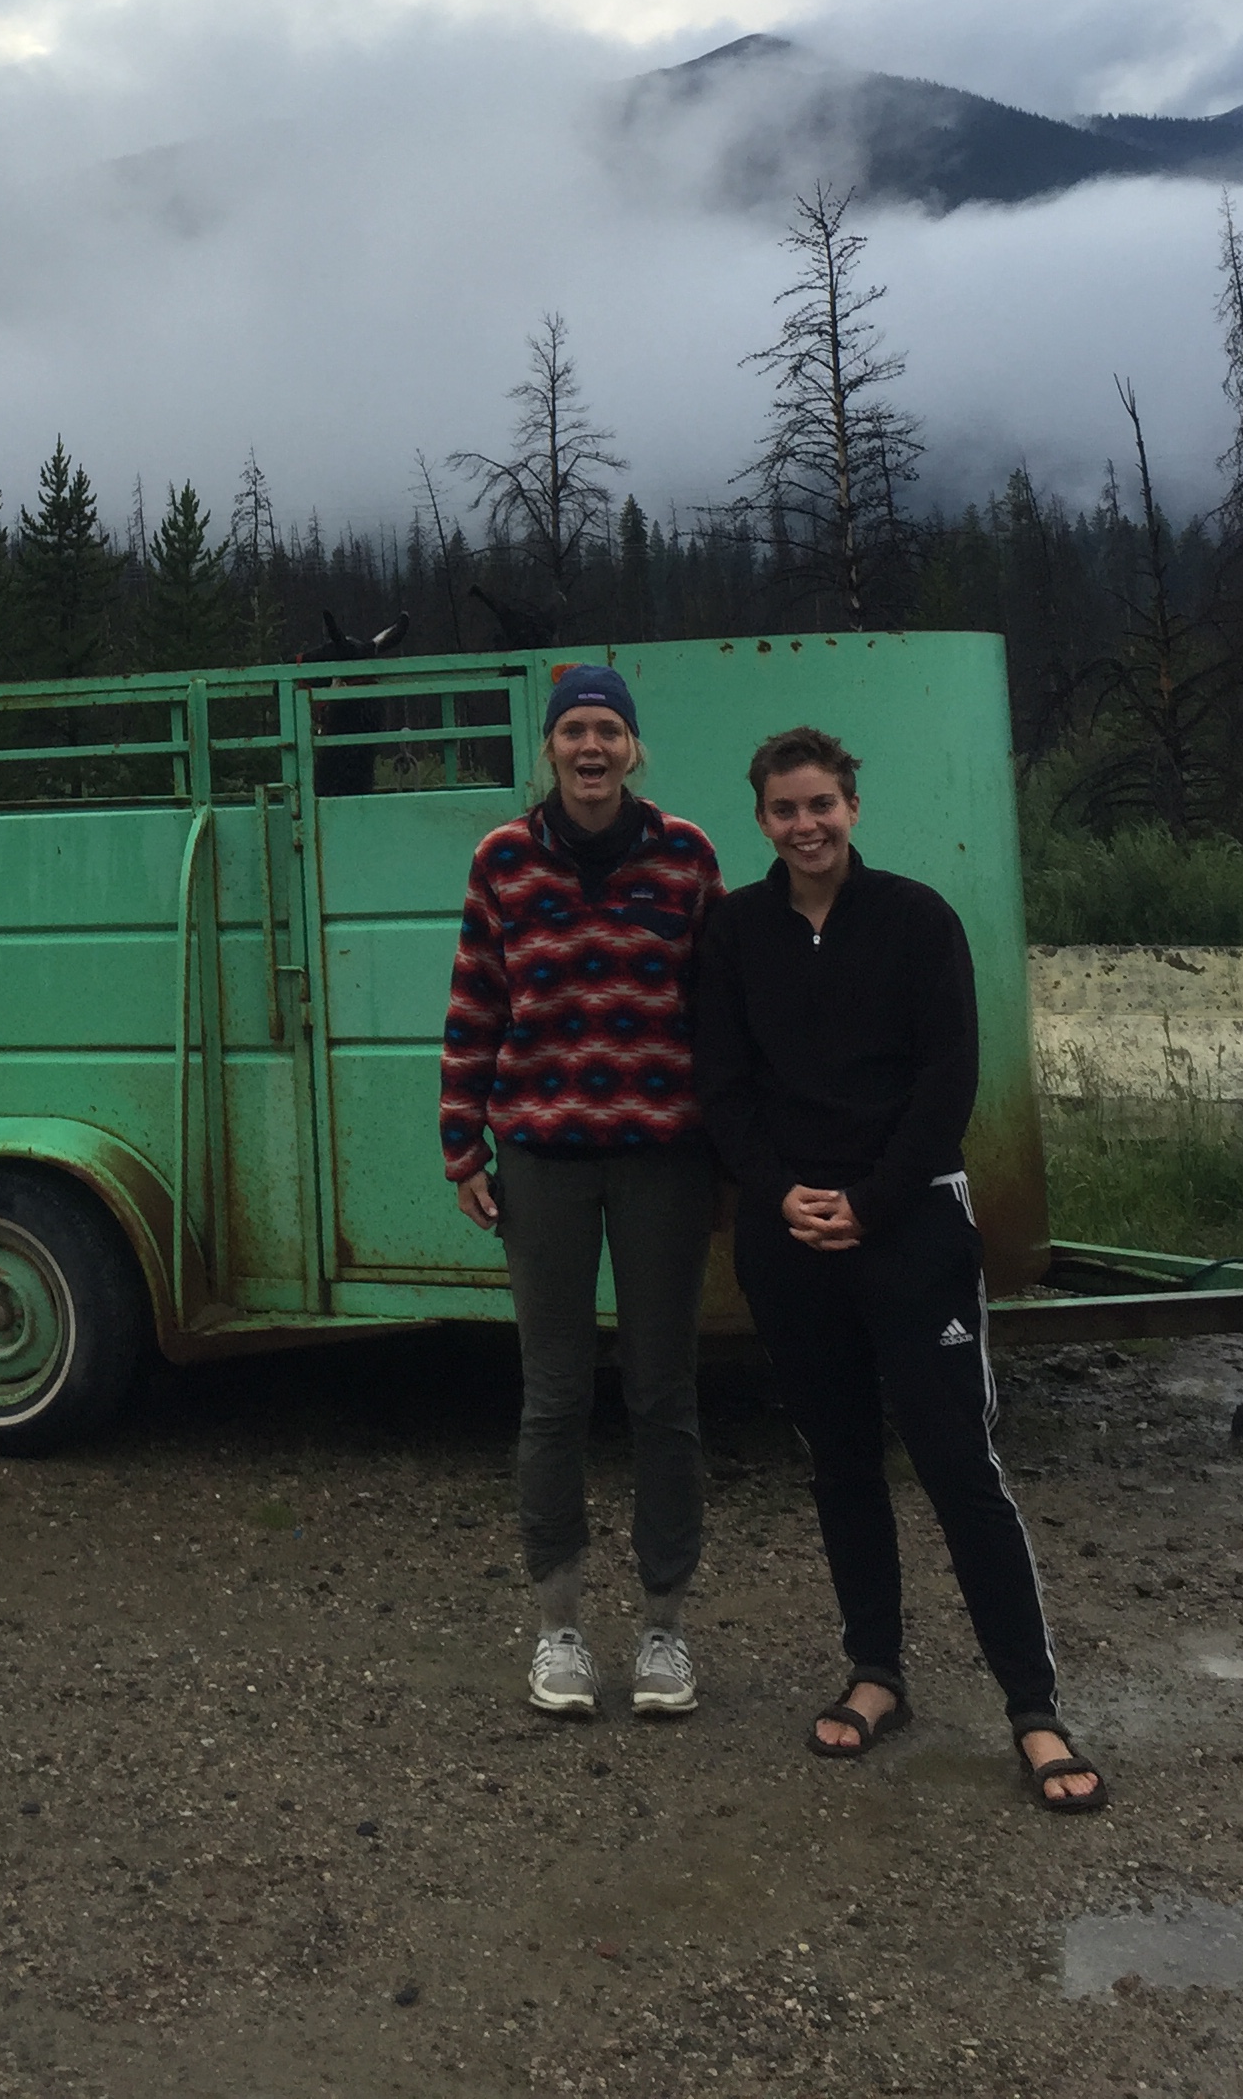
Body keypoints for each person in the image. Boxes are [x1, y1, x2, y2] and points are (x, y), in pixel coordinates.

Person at [693, 724, 1107, 1814]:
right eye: (785, 810)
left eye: (822, 804)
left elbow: (948, 1077)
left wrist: (870, 1204)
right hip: (788, 1234)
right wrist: (779, 1193)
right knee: (838, 1463)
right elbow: (723, 1087)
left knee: (957, 1466)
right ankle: (877, 1674)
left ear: (852, 808)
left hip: (911, 1225)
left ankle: (1034, 1708)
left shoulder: (918, 919)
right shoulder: (734, 933)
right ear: (762, 820)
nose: (806, 825)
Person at [440, 664, 724, 1719]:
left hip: (665, 1157)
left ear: (634, 748)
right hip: (543, 1161)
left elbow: (719, 1007)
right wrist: (461, 1146)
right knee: (553, 1396)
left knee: (663, 1395)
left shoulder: (688, 855)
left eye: (610, 730)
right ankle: (559, 1628)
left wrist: (734, 1151)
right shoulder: (502, 860)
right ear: (550, 749)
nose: (592, 748)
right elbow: (475, 1002)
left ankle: (664, 1632)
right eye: (575, 731)